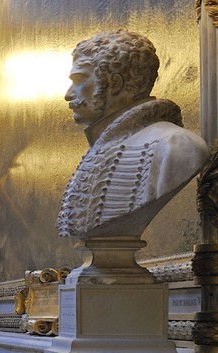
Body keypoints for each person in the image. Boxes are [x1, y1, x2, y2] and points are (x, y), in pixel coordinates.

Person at [57, 30, 210, 239]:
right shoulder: (100, 150)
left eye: (79, 79)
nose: (68, 95)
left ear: (116, 83)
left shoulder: (174, 145)